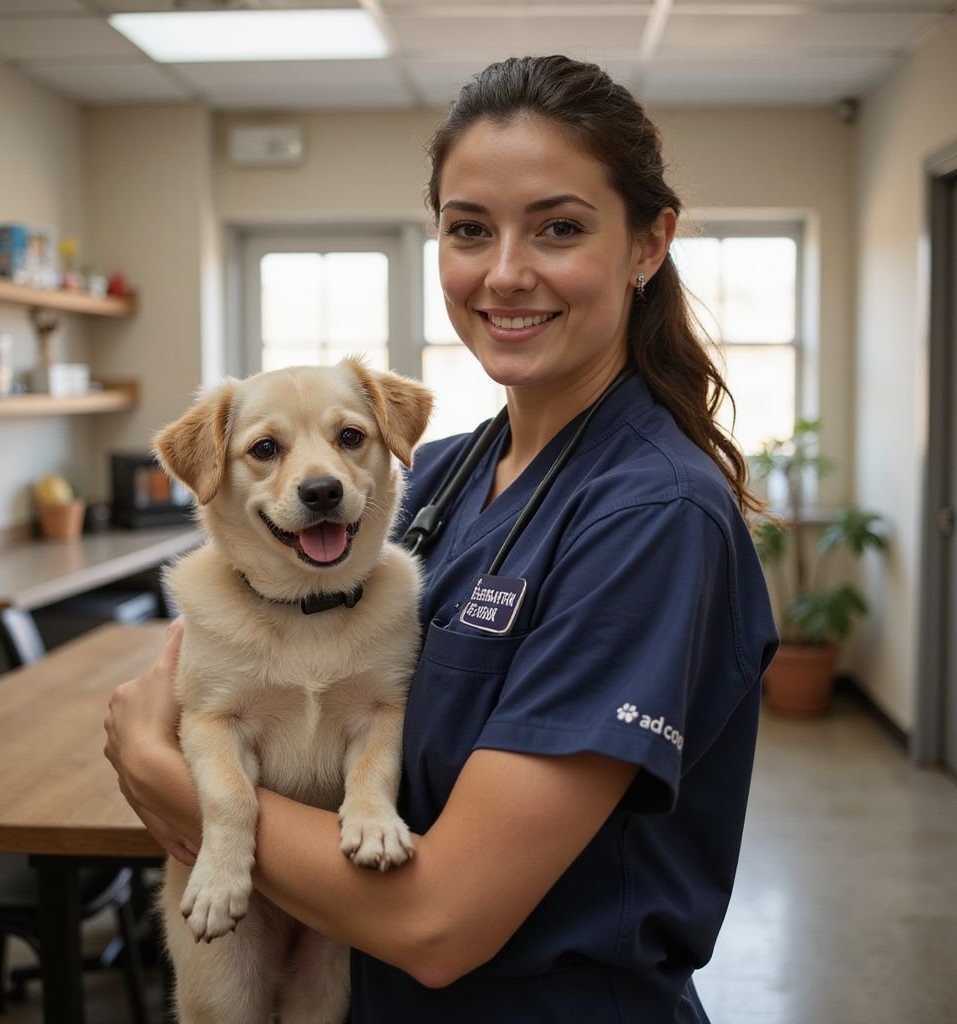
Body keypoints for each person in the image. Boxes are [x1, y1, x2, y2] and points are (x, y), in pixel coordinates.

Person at [104, 54, 779, 1023]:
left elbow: (441, 920)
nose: (504, 273)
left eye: (557, 227)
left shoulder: (649, 518)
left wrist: (170, 779)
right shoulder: (446, 472)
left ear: (646, 244)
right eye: (469, 230)